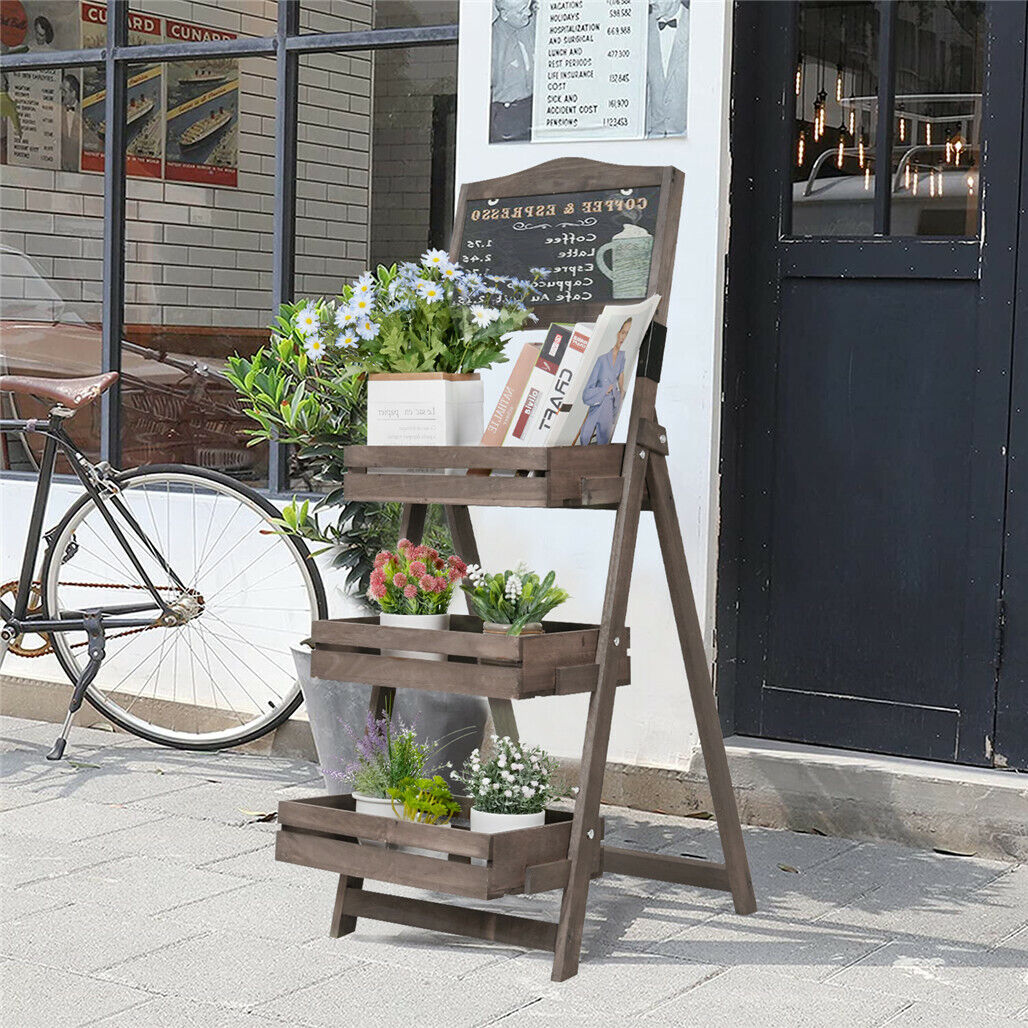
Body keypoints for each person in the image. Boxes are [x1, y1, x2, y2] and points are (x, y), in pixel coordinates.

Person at [575, 317, 632, 446]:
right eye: (623, 332)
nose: (624, 337)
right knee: (585, 435)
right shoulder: (602, 360)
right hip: (598, 401)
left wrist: (621, 393)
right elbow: (588, 388)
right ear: (618, 333)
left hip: (611, 404)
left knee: (605, 437)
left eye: (628, 334)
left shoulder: (623, 357)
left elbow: (621, 375)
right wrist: (602, 390)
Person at [490, 0, 535, 143]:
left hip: (534, 107)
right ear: (505, 15)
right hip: (508, 116)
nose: (528, 13)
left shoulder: (528, 23)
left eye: (529, 7)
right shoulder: (492, 40)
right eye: (521, 11)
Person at [646, 0, 689, 138]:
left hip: (686, 137)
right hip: (652, 137)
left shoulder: (699, 26)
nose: (651, 2)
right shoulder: (643, 27)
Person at [60, 73, 79, 171]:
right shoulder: (57, 111)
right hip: (61, 168)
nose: (62, 95)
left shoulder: (84, 112)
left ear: (73, 93)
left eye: (64, 91)